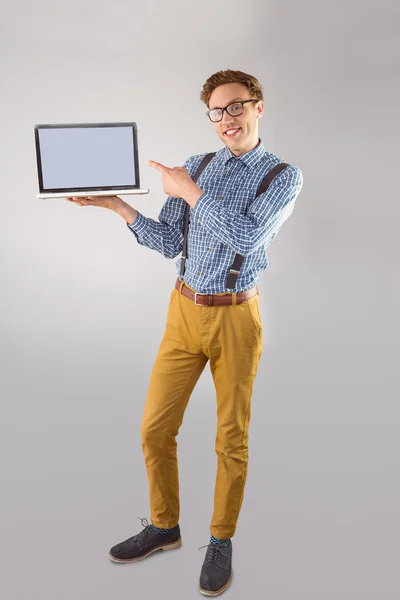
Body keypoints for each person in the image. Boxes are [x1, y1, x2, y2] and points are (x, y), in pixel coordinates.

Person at [65, 69, 303, 596]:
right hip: (183, 310)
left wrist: (190, 191)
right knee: (154, 428)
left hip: (236, 317)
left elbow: (245, 237)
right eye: (217, 112)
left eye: (236, 107)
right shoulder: (195, 166)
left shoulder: (282, 176)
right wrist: (119, 208)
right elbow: (170, 242)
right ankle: (164, 525)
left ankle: (220, 540)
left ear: (259, 107)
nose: (227, 120)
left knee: (230, 439)